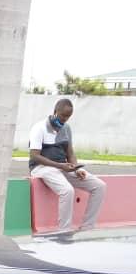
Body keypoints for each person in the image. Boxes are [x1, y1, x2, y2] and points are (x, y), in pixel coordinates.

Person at [28, 98, 106, 231]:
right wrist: (60, 166)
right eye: (63, 115)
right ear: (55, 111)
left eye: (68, 116)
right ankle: (64, 231)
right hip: (41, 167)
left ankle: (87, 228)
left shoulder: (66, 128)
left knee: (99, 186)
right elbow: (34, 156)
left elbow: (70, 153)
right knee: (67, 191)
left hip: (62, 167)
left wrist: (76, 169)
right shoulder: (39, 128)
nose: (65, 119)